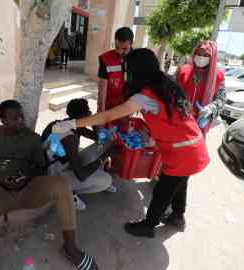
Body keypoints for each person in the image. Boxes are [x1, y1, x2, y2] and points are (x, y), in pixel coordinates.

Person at [52, 48, 210, 238]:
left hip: (182, 153)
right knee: (180, 183)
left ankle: (149, 226)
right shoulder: (166, 84)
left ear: (137, 70)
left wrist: (73, 123)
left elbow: (109, 114)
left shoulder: (146, 95)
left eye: (128, 69)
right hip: (194, 147)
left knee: (163, 190)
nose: (127, 73)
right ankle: (177, 216)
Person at [0, 100, 98, 270]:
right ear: (3, 120)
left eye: (21, 116)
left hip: (28, 190)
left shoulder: (32, 139)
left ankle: (70, 248)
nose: (21, 120)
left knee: (62, 185)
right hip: (0, 193)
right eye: (15, 118)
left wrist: (27, 176)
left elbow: (41, 168)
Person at [42, 99, 117, 211]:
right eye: (88, 112)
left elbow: (98, 139)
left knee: (106, 143)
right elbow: (80, 174)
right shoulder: (68, 136)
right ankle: (66, 192)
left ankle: (89, 178)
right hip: (55, 173)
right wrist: (104, 157)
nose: (90, 113)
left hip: (66, 163)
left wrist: (93, 122)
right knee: (106, 180)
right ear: (82, 116)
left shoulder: (71, 124)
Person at [176, 40, 226, 134]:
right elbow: (172, 91)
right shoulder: (183, 71)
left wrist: (211, 108)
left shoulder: (218, 76)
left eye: (206, 55)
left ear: (212, 57)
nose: (201, 58)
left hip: (200, 123)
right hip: (180, 120)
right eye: (198, 54)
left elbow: (221, 99)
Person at [97, 27, 134, 131]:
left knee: (123, 136)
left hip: (127, 107)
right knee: (106, 134)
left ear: (131, 43)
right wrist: (101, 114)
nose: (120, 52)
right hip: (109, 106)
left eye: (124, 48)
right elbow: (102, 89)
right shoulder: (105, 59)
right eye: (117, 47)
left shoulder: (138, 58)